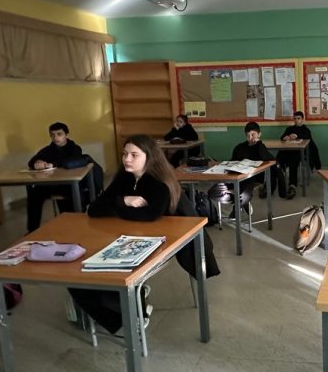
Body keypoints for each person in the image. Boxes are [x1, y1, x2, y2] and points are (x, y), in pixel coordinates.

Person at [69, 134, 218, 334]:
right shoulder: (124, 177)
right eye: (124, 154)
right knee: (79, 276)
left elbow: (149, 215)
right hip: (126, 236)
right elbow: (95, 209)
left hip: (163, 240)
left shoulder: (160, 182)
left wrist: (116, 206)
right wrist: (124, 201)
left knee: (115, 271)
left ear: (149, 157)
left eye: (134, 155)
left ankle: (134, 312)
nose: (126, 159)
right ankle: (123, 314)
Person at [26, 122, 84, 232]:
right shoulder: (48, 150)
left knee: (70, 196)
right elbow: (32, 161)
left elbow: (73, 160)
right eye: (52, 135)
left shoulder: (74, 148)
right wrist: (37, 161)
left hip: (69, 184)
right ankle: (32, 230)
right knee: (34, 193)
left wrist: (53, 164)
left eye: (59, 134)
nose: (55, 137)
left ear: (66, 134)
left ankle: (74, 227)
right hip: (52, 183)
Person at [230, 121, 286, 200]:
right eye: (248, 135)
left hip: (257, 175)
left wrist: (259, 143)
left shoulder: (260, 147)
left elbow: (271, 160)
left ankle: (243, 200)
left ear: (259, 134)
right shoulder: (239, 147)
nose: (250, 138)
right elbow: (232, 161)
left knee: (273, 169)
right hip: (241, 174)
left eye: (253, 135)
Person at [278, 111, 321, 199]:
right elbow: (282, 137)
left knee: (293, 161)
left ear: (302, 119)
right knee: (278, 157)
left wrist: (296, 135)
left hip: (299, 152)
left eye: (298, 118)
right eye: (295, 118)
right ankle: (277, 179)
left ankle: (292, 185)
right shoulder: (290, 128)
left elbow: (307, 137)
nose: (296, 120)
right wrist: (285, 137)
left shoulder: (306, 129)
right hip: (289, 151)